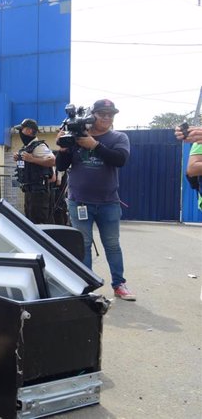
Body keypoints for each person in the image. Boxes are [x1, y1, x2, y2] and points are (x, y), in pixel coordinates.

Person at [55, 99, 134, 301]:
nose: (107, 117)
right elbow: (62, 166)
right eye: (102, 114)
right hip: (79, 201)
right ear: (93, 115)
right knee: (84, 244)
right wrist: (63, 149)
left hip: (109, 201)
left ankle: (119, 284)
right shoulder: (75, 135)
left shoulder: (119, 137)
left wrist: (94, 145)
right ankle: (86, 287)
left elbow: (120, 160)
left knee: (112, 244)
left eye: (110, 114)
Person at [13, 118, 55, 224]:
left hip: (39, 193)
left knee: (39, 224)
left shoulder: (39, 146)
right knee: (31, 222)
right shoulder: (27, 147)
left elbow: (52, 160)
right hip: (29, 191)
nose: (20, 133)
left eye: (21, 130)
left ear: (29, 131)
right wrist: (19, 159)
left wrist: (32, 159)